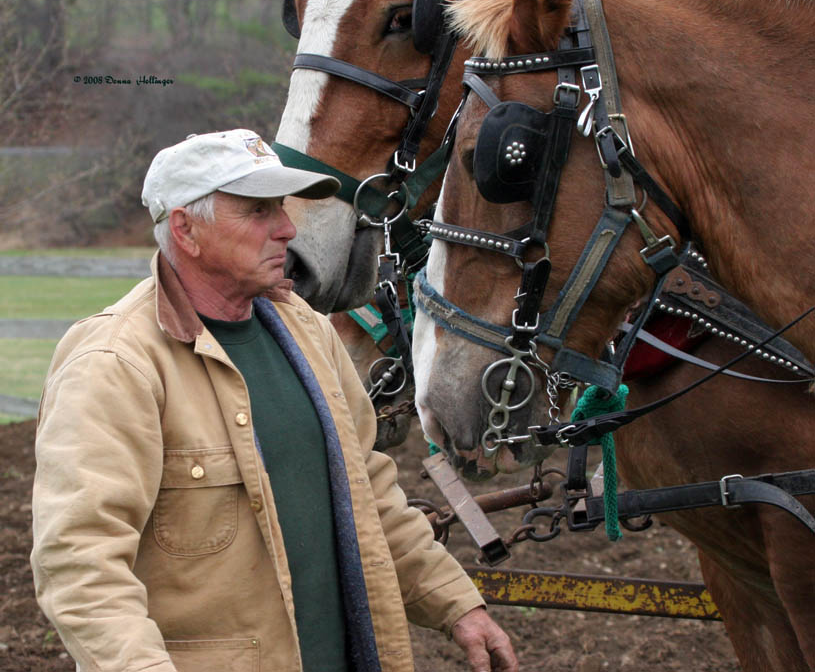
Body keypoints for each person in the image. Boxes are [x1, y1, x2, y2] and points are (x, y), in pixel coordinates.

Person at [30, 129, 518, 672]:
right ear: (186, 230)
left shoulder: (307, 330)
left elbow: (371, 494)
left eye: (281, 209)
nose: (286, 230)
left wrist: (457, 605)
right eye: (258, 212)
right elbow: (80, 564)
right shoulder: (114, 365)